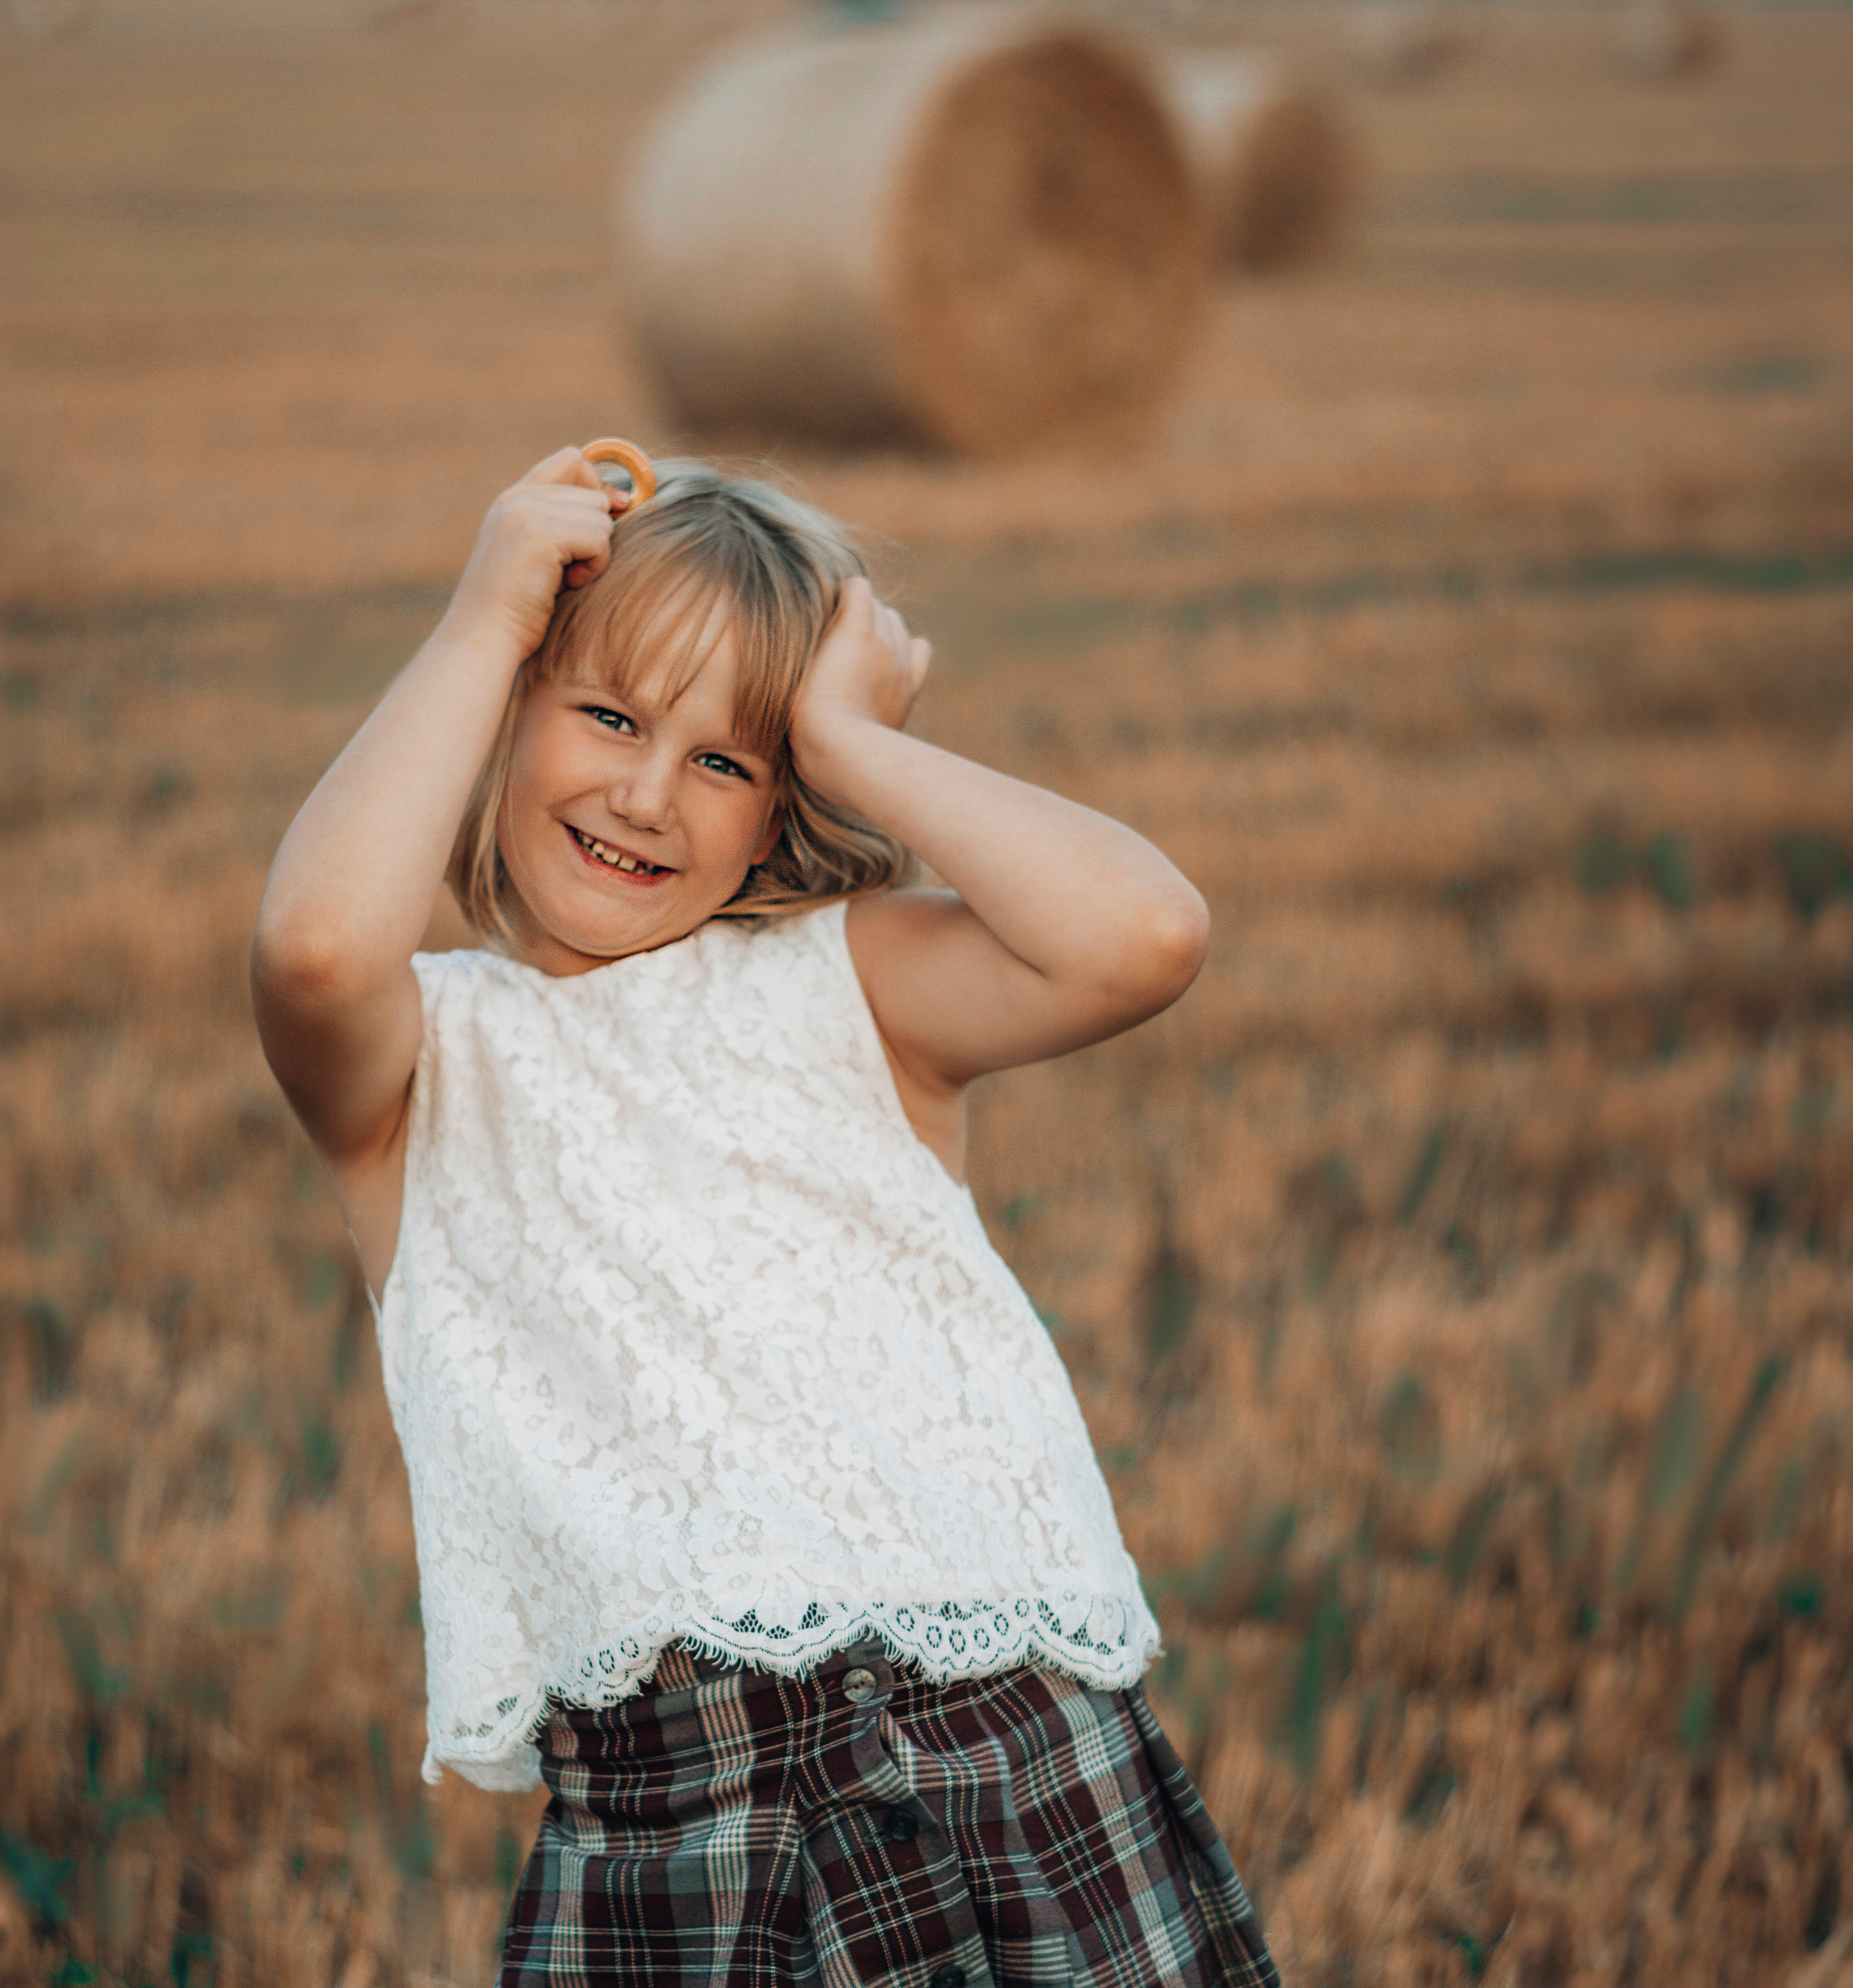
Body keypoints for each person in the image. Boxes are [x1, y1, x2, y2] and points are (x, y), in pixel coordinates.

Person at [252, 447, 1280, 1988]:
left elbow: (1141, 933)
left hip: (1012, 1758)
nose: (645, 793)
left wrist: (846, 734)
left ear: (776, 809)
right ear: (506, 713)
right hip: (683, 1822)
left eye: (726, 761)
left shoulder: (846, 981)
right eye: (605, 714)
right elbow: (318, 948)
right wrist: (481, 618)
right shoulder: (424, 1064)